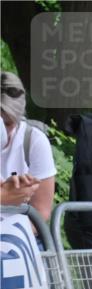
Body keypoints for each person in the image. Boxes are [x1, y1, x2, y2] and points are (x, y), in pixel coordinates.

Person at [0, 72, 56, 222]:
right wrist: (6, 196)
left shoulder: (34, 141)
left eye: (8, 124)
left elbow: (42, 212)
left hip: (18, 234)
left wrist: (12, 234)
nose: (2, 132)